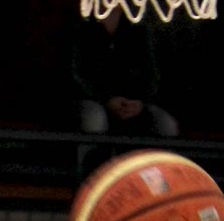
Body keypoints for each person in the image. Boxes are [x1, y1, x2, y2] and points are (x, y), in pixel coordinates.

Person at [69, 7, 178, 139]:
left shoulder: (137, 26)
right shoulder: (81, 24)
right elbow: (77, 72)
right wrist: (107, 99)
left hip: (134, 101)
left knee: (166, 124)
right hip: (91, 99)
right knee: (94, 119)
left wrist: (138, 101)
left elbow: (150, 72)